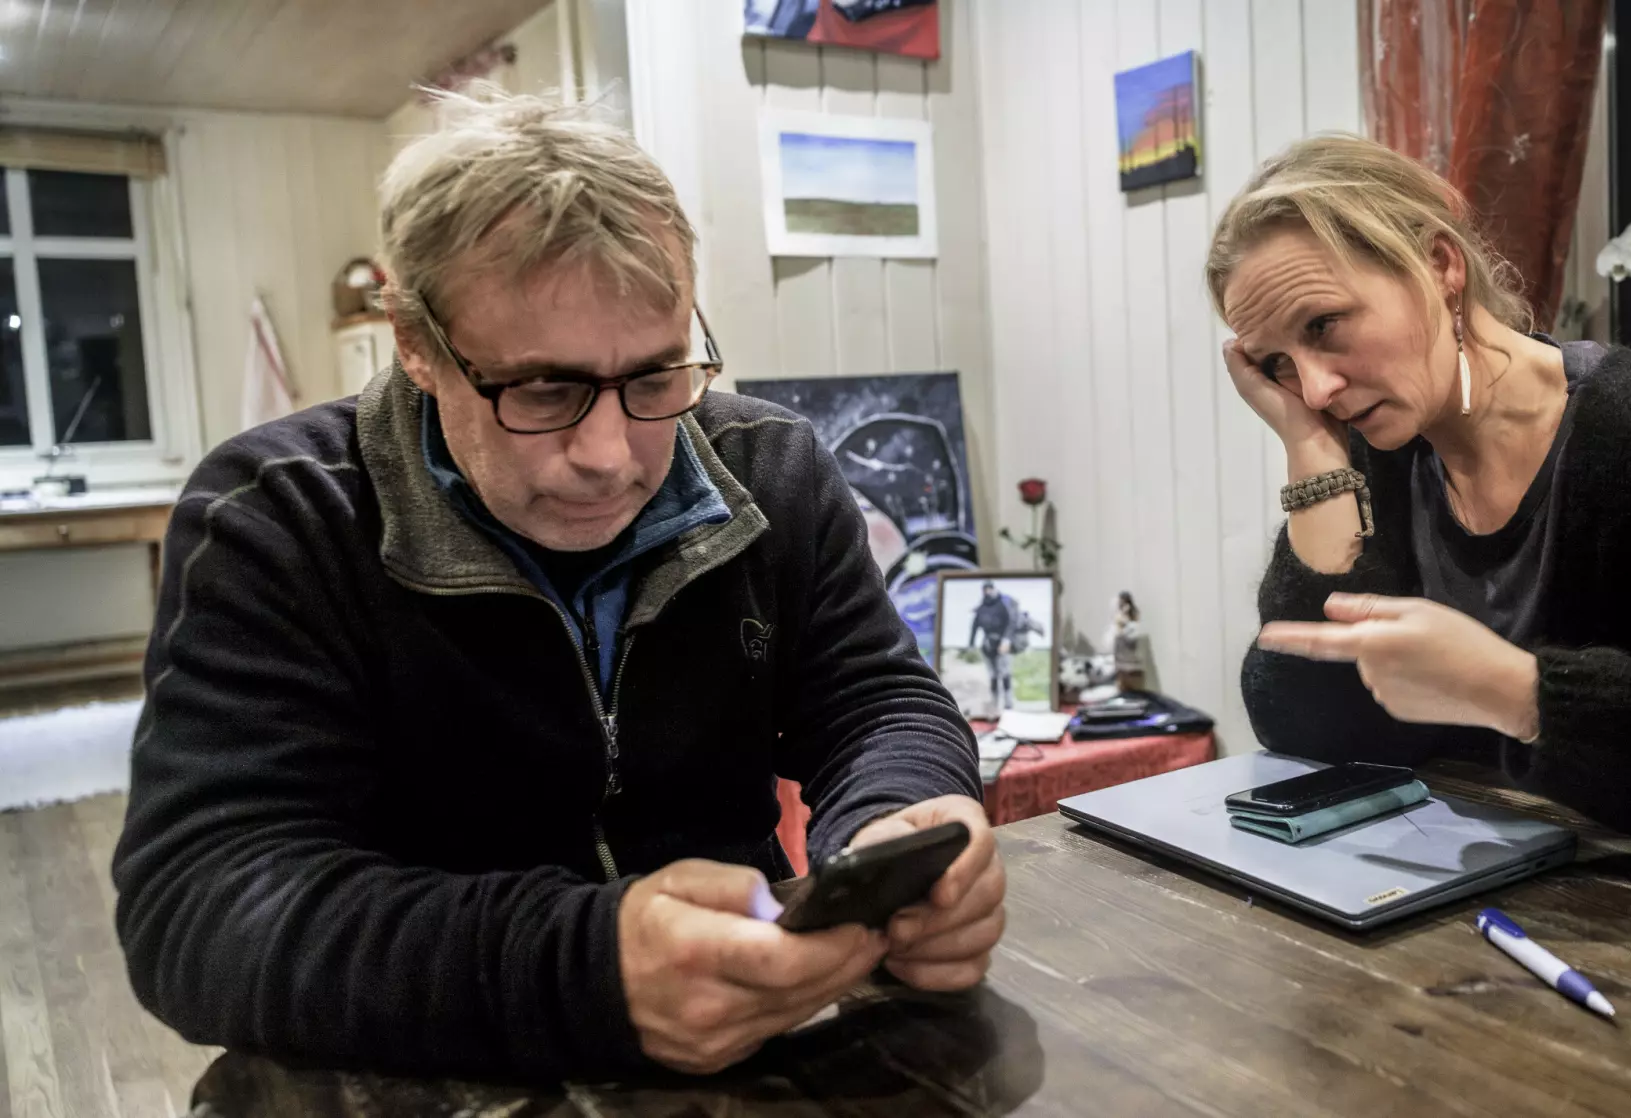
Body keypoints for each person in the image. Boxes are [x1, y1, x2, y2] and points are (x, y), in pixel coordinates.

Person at [111, 87, 1005, 1081]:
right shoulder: (276, 517)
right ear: (416, 341)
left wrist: (903, 819)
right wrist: (584, 970)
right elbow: (199, 903)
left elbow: (875, 699)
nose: (609, 456)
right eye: (545, 390)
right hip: (419, 1072)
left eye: (655, 378)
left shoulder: (770, 465)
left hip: (756, 1033)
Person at [1210, 134, 1631, 885]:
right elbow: (1304, 726)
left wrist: (1522, 695)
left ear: (1440, 266)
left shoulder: (1630, 424)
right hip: (1464, 901)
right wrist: (1314, 455)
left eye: (1323, 326)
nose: (1315, 388)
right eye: (1278, 363)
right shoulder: (1381, 448)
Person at [969, 580, 1018, 712]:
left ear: (993, 589)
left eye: (990, 588)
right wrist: (971, 643)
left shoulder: (1002, 605)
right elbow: (974, 626)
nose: (988, 591)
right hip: (987, 645)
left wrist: (1006, 641)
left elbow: (1010, 623)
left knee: (1005, 673)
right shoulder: (981, 608)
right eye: (985, 589)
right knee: (993, 675)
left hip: (1002, 644)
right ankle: (995, 702)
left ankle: (1008, 702)